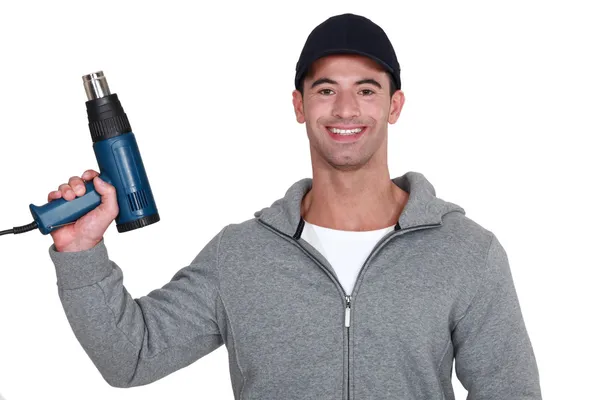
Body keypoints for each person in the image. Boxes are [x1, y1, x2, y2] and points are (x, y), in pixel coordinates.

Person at [47, 13, 542, 400]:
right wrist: (81, 253)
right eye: (326, 90)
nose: (346, 110)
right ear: (299, 105)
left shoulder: (467, 253)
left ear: (394, 106)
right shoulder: (240, 254)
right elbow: (130, 357)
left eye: (366, 90)